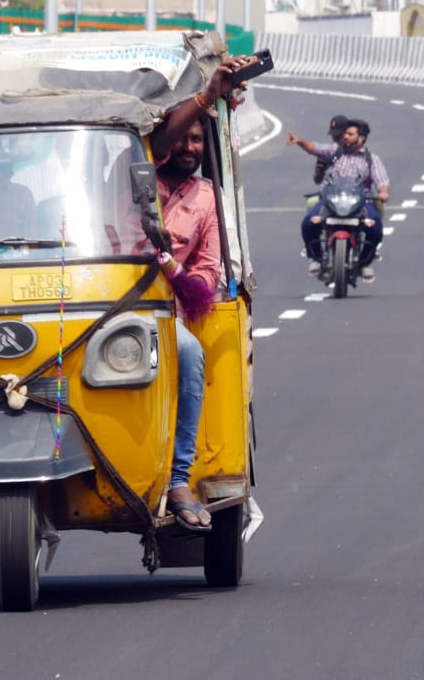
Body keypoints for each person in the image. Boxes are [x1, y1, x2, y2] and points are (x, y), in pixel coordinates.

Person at [148, 56, 250, 530]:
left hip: (160, 315)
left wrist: (168, 263)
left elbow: (206, 280)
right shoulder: (134, 176)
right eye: (183, 138)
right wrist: (207, 97)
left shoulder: (206, 198)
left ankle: (177, 477)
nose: (188, 146)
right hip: (101, 303)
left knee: (189, 355)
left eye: (196, 140)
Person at [287, 117, 391, 282]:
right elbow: (314, 148)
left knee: (375, 228)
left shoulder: (372, 159)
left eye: (350, 134)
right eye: (345, 134)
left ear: (362, 137)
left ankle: (365, 261)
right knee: (308, 223)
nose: (346, 137)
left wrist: (383, 192)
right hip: (330, 201)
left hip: (361, 203)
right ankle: (316, 258)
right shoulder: (334, 151)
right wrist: (299, 141)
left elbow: (382, 182)